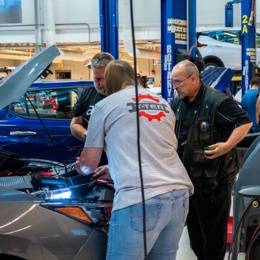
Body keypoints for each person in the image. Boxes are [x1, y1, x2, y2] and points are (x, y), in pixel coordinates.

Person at [75, 59, 194, 260]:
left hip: (141, 199)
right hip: (178, 196)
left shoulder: (104, 106)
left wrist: (80, 166)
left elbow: (89, 165)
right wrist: (113, 168)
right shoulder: (162, 103)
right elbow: (155, 149)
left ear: (110, 81)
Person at [171, 60, 252, 260]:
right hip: (189, 183)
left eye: (178, 82)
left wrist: (227, 145)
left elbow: (245, 122)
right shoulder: (179, 102)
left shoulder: (217, 101)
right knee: (196, 241)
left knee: (213, 243)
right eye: (172, 82)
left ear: (193, 78)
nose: (175, 86)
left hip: (214, 183)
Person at [70, 52, 114, 170]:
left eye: (106, 78)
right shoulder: (88, 94)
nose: (102, 84)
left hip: (117, 161)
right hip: (94, 161)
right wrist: (87, 135)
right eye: (97, 79)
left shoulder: (122, 95)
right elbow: (75, 124)